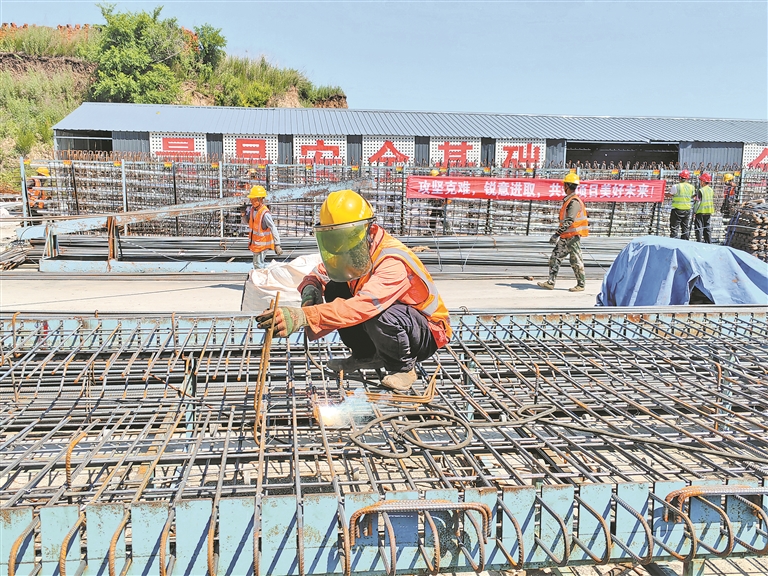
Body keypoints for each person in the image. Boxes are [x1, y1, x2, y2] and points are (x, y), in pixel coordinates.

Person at [256, 189, 452, 391]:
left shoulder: (392, 261)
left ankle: (402, 368)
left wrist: (305, 316)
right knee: (335, 286)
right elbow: (321, 273)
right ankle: (366, 355)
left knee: (379, 312)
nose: (341, 248)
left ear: (370, 230)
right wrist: (310, 288)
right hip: (398, 321)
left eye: (345, 238)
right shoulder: (358, 249)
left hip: (426, 332)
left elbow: (363, 306)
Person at [537, 173, 589, 292]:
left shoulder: (574, 202)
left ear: (567, 186)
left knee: (575, 260)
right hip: (566, 236)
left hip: (572, 236)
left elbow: (569, 220)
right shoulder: (569, 200)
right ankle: (550, 282)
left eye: (564, 185)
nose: (562, 187)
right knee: (555, 257)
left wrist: (556, 234)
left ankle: (581, 285)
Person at [241, 185, 282, 269]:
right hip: (256, 244)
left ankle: (260, 280)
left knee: (258, 264)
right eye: (251, 199)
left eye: (254, 199)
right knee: (258, 264)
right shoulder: (253, 210)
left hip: (262, 244)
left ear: (260, 199)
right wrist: (243, 214)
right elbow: (247, 222)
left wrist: (277, 244)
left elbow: (273, 228)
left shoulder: (265, 213)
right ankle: (261, 279)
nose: (251, 201)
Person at [669, 170, 694, 240]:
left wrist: (664, 194)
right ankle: (685, 243)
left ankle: (673, 243)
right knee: (685, 228)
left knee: (674, 228)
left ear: (680, 178)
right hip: (687, 210)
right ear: (687, 178)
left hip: (677, 210)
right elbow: (692, 196)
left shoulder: (676, 186)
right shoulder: (691, 187)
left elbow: (670, 194)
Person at [693, 172, 715, 244]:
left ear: (703, 181)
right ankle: (708, 242)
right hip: (708, 211)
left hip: (701, 211)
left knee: (699, 228)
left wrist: (694, 211)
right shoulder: (711, 190)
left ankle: (699, 242)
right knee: (707, 228)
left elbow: (698, 202)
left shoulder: (701, 190)